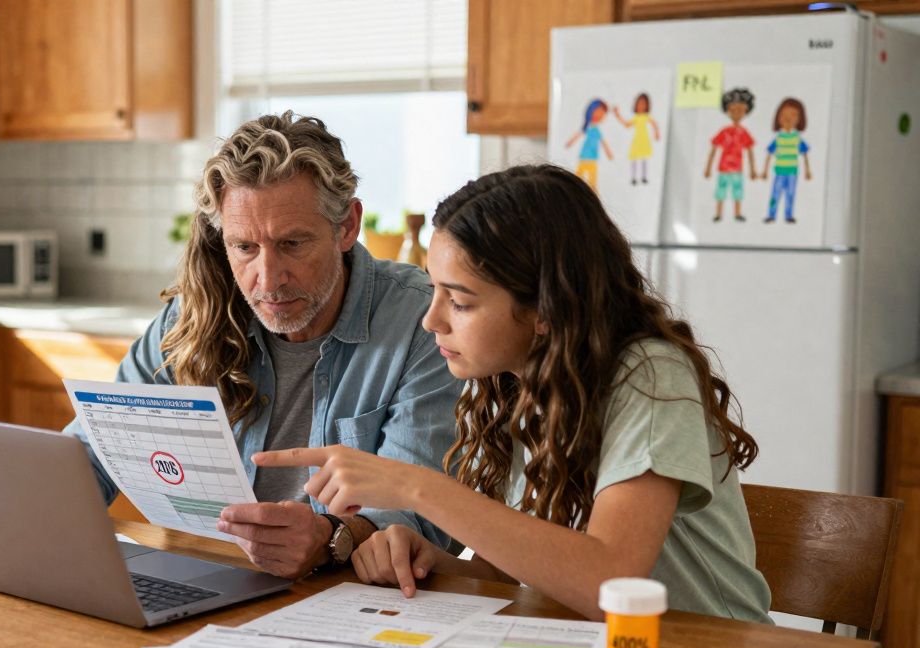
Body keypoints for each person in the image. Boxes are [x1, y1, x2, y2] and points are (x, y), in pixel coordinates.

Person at [0, 112, 463, 579]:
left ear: (348, 225)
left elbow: (422, 511)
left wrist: (333, 538)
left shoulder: (421, 320)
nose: (267, 277)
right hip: (209, 582)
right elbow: (93, 453)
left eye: (294, 244)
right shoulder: (194, 315)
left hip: (346, 606)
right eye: (244, 248)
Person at [254, 164, 774, 623]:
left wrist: (415, 487)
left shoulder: (649, 376)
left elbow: (610, 584)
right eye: (434, 291)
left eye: (458, 301)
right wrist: (429, 558)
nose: (430, 319)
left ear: (545, 308)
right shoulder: (512, 383)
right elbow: (526, 570)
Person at [704, 87, 758, 223]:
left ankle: (737, 213)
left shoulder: (744, 132)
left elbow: (750, 150)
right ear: (727, 111)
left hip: (737, 169)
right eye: (733, 110)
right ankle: (718, 213)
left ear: (746, 111)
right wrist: (708, 168)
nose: (736, 113)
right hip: (723, 169)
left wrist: (752, 170)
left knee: (737, 193)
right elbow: (714, 149)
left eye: (740, 110)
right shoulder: (724, 131)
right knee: (720, 192)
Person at [760, 97, 811, 224]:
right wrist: (765, 171)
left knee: (790, 195)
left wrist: (808, 170)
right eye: (784, 115)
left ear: (800, 119)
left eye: (793, 115)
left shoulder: (797, 138)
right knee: (775, 194)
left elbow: (804, 154)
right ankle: (771, 215)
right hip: (779, 171)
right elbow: (769, 154)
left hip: (792, 171)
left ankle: (789, 215)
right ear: (778, 118)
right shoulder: (778, 138)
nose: (788, 119)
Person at [564, 98, 612, 193]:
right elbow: (578, 135)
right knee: (578, 177)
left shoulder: (597, 130)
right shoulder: (587, 127)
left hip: (593, 159)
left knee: (592, 181)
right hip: (584, 157)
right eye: (598, 112)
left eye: (602, 113)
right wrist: (570, 142)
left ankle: (594, 195)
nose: (600, 115)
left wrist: (608, 152)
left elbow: (603, 142)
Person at [612, 93, 660, 186]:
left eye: (643, 104)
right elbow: (626, 124)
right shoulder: (636, 118)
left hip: (644, 140)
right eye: (639, 104)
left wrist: (657, 133)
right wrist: (618, 115)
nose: (641, 106)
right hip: (637, 140)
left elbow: (654, 124)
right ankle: (634, 177)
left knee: (644, 158)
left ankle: (644, 176)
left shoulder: (646, 117)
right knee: (634, 158)